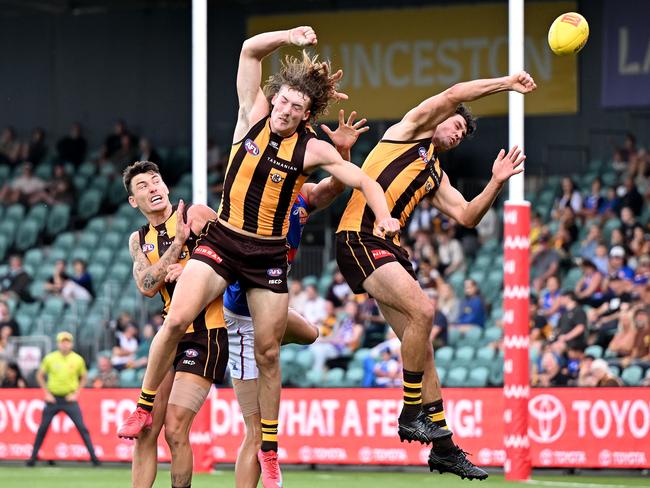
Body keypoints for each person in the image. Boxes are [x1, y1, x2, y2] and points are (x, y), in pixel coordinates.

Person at [119, 26, 400, 487]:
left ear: (307, 113)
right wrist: (288, 35)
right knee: (175, 319)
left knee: (270, 353)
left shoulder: (311, 148)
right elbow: (249, 50)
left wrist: (384, 215)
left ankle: (269, 450)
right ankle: (143, 407)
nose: (286, 111)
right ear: (275, 99)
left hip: (266, 256)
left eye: (296, 106)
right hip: (224, 240)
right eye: (283, 101)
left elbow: (361, 180)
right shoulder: (251, 116)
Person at [336, 69, 536, 479]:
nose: (460, 134)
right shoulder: (409, 129)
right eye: (458, 124)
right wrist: (506, 83)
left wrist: (496, 182)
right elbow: (457, 92)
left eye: (465, 132)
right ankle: (411, 413)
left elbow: (466, 215)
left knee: (422, 347)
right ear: (441, 118)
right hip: (360, 237)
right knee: (425, 312)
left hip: (386, 247)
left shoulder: (433, 172)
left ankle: (443, 449)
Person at [117, 161, 228, 488]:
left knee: (176, 430)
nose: (152, 188)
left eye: (156, 181)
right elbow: (147, 286)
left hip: (207, 332)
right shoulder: (138, 240)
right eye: (143, 186)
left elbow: (231, 260)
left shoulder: (198, 215)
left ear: (166, 187)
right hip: (170, 336)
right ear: (133, 202)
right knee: (147, 430)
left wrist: (194, 268)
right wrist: (178, 247)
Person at [27, 332, 100, 467]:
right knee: (42, 428)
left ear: (71, 344)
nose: (65, 344)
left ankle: (94, 458)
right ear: (58, 343)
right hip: (53, 399)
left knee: (82, 428)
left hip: (69, 399)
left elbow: (84, 377)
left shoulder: (77, 359)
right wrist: (47, 393)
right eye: (62, 342)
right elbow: (39, 375)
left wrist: (76, 393)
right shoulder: (50, 358)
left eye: (67, 342)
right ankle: (32, 458)